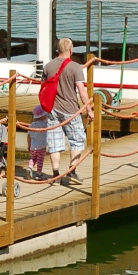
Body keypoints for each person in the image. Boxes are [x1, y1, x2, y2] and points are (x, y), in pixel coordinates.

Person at [42, 37, 88, 187]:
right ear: (71, 49)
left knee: (54, 142)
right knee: (77, 140)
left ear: (58, 49)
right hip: (71, 110)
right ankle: (71, 171)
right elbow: (82, 91)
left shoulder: (48, 66)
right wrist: (89, 109)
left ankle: (55, 174)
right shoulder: (75, 67)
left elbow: (43, 88)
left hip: (53, 109)